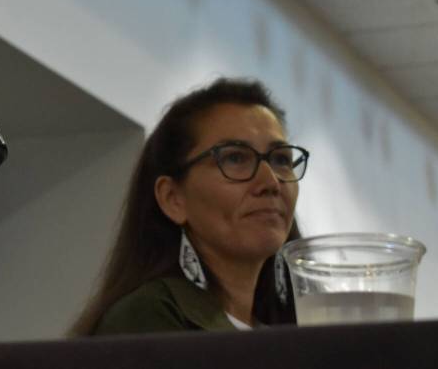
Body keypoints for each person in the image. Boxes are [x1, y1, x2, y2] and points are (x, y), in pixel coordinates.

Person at [70, 78, 307, 335]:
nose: (270, 182)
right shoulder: (149, 316)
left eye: (281, 159)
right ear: (173, 198)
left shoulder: (296, 334)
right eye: (235, 158)